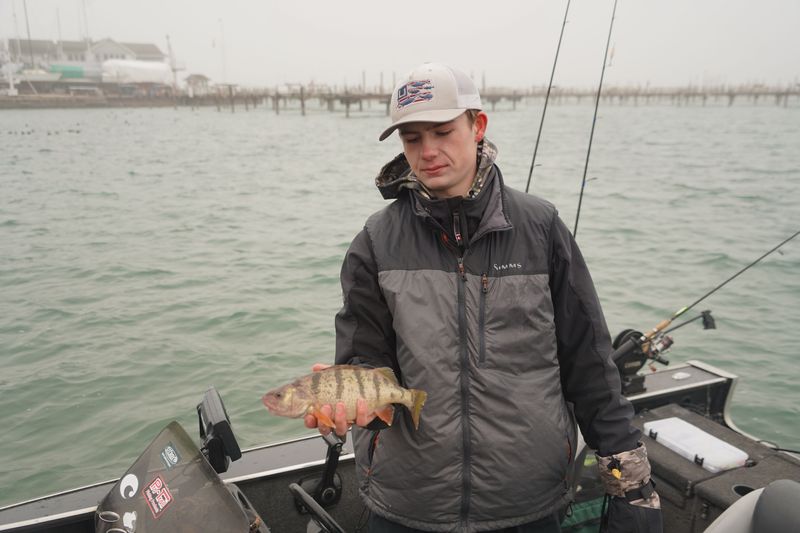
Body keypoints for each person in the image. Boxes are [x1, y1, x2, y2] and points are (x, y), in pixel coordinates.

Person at [306, 62, 662, 533]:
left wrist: (631, 482)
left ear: (478, 125)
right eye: (412, 138)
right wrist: (349, 399)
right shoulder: (374, 241)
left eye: (442, 131)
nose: (428, 151)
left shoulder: (541, 227)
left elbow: (590, 365)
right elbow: (366, 358)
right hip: (407, 503)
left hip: (529, 501)